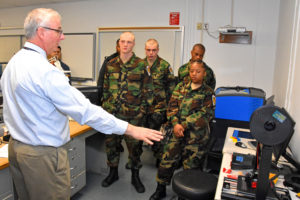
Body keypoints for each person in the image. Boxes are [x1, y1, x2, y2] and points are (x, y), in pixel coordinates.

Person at [0, 8, 162, 200]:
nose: (63, 37)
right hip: (42, 156)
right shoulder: (45, 71)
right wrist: (130, 129)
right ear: (42, 32)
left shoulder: (14, 63)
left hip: (18, 150)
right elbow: (85, 111)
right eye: (59, 31)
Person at [149, 60, 214, 200]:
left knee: (191, 167)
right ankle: (160, 189)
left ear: (204, 73)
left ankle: (185, 194)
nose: (194, 74)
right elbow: (171, 108)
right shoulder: (180, 87)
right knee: (166, 161)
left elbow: (205, 114)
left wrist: (183, 125)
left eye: (198, 71)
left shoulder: (208, 92)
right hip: (176, 133)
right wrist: (176, 124)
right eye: (192, 71)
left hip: (196, 138)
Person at [101, 31, 148, 193]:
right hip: (112, 116)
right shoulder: (110, 64)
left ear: (134, 44)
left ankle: (135, 177)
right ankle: (113, 173)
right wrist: (105, 109)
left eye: (129, 42)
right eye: (123, 41)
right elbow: (105, 89)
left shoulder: (142, 65)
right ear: (119, 43)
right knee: (111, 146)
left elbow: (149, 91)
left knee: (135, 150)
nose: (125, 45)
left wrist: (141, 112)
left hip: (133, 117)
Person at [143, 38, 176, 167]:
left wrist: (169, 108)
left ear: (158, 50)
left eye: (154, 50)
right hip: (143, 107)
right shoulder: (140, 65)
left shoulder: (165, 66)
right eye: (148, 50)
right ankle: (134, 159)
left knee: (157, 134)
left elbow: (172, 88)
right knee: (141, 132)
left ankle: (158, 157)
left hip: (159, 107)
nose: (151, 53)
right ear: (145, 50)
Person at [97, 39, 120, 106]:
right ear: (116, 47)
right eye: (119, 46)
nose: (122, 48)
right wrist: (99, 101)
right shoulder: (109, 61)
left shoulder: (136, 63)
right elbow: (101, 81)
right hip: (111, 102)